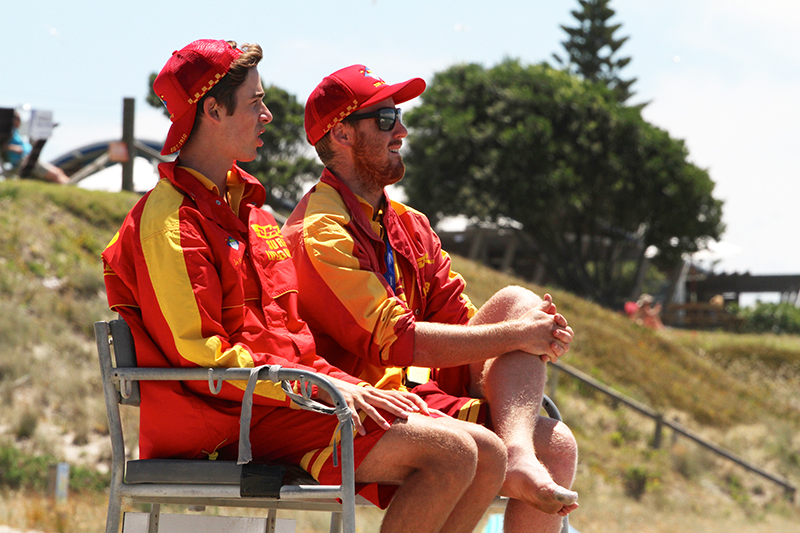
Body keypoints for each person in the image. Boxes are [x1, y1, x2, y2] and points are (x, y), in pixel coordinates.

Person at [102, 40, 507, 533]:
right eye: (255, 102)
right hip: (229, 420)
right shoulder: (169, 221)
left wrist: (349, 387)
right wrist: (324, 387)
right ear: (212, 108)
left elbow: (292, 342)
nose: (268, 115)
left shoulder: (253, 214)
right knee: (453, 451)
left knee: (485, 452)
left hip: (287, 402)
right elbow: (201, 360)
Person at [283, 65, 579, 533]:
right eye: (384, 119)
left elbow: (462, 328)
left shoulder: (409, 222)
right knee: (474, 438)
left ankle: (520, 454)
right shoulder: (319, 231)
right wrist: (521, 336)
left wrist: (528, 333)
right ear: (340, 133)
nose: (401, 129)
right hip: (350, 403)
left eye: (397, 115)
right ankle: (514, 455)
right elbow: (399, 343)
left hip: (414, 394)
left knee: (555, 438)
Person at [1, 110, 69, 184]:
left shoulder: (15, 131)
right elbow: (3, 146)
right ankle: (71, 190)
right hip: (24, 160)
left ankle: (71, 190)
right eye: (18, 119)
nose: (19, 121)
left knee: (58, 172)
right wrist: (15, 149)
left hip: (31, 157)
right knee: (56, 175)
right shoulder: (6, 133)